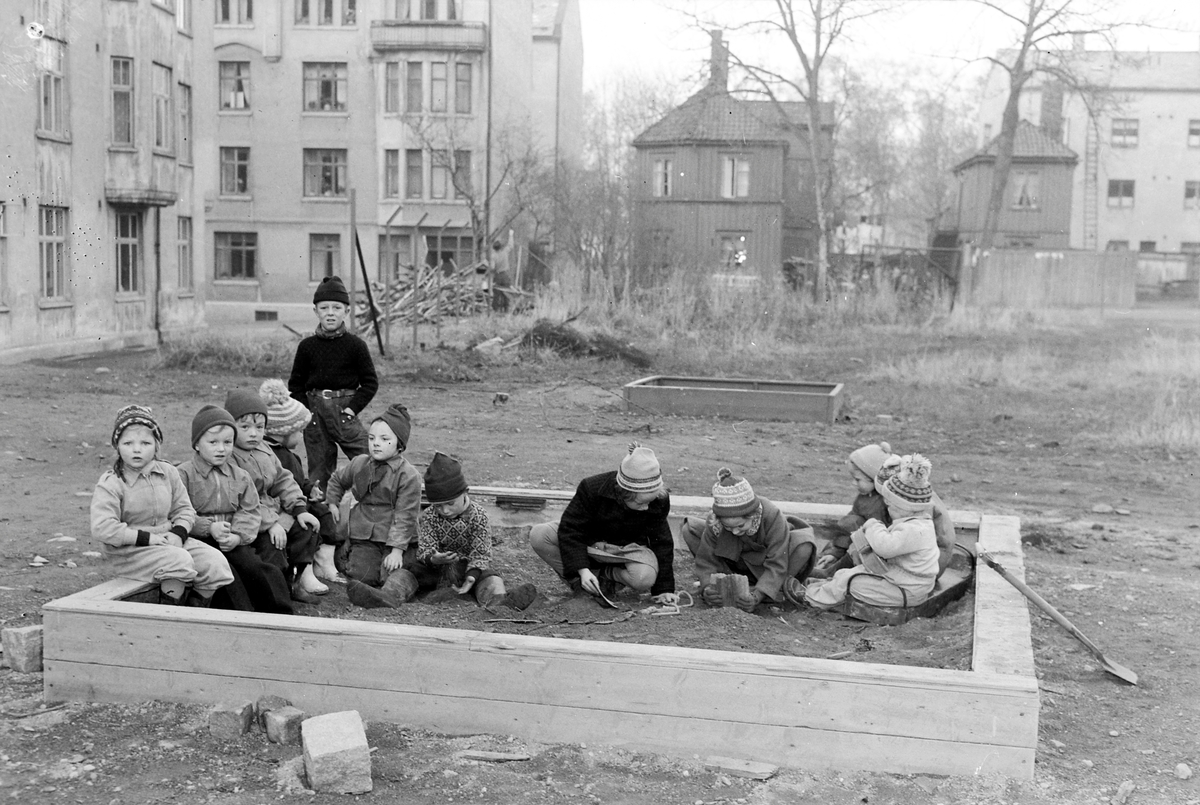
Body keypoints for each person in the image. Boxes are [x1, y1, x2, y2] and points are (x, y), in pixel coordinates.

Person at [90, 405, 234, 607]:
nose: (137, 449)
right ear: (117, 445)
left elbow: (184, 510)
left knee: (214, 562)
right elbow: (103, 527)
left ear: (157, 445)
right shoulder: (112, 482)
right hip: (130, 550)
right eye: (128, 443)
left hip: (168, 541)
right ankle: (168, 614)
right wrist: (148, 538)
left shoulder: (168, 472)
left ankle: (193, 611)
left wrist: (179, 532)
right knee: (178, 561)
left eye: (146, 442)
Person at [177, 405, 292, 614]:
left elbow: (250, 509)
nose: (221, 449)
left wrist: (238, 536)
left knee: (257, 569)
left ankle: (281, 615)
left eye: (227, 442)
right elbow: (179, 511)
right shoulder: (184, 474)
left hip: (231, 538)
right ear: (196, 445)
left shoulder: (240, 475)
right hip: (200, 540)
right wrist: (208, 528)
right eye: (213, 442)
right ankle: (242, 618)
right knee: (229, 578)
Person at [529, 443, 679, 604]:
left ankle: (606, 578)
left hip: (625, 551)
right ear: (624, 494)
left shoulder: (658, 500)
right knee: (540, 535)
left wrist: (664, 589)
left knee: (644, 577)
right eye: (640, 503)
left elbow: (662, 542)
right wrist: (582, 570)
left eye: (650, 502)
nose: (646, 508)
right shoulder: (591, 488)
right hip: (589, 545)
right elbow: (571, 529)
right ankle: (580, 582)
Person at [403, 452, 538, 610]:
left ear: (465, 492)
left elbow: (481, 553)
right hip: (436, 569)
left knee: (491, 579)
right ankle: (390, 595)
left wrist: (472, 576)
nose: (445, 510)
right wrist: (434, 558)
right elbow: (425, 547)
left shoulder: (479, 516)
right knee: (408, 572)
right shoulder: (429, 516)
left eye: (450, 503)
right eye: (438, 506)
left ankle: (500, 604)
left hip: (468, 567)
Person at [224, 389, 323, 604]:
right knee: (273, 547)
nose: (253, 434)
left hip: (271, 513)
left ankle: (292, 582)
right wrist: (270, 523)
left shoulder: (265, 450)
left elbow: (283, 480)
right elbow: (244, 500)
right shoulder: (230, 458)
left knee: (306, 530)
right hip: (248, 520)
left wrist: (299, 509)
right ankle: (274, 595)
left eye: (259, 427)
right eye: (245, 427)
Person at [804, 453, 940, 610]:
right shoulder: (917, 523)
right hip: (903, 582)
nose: (888, 510)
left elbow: (885, 547)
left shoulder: (914, 530)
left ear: (903, 508)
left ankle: (811, 598)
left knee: (852, 581)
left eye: (890, 507)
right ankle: (825, 587)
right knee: (851, 574)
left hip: (906, 590)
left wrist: (873, 526)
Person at [810, 442, 957, 580]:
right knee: (858, 528)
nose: (853, 483)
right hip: (907, 554)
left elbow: (888, 541)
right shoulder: (877, 495)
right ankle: (835, 568)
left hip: (924, 567)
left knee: (861, 541)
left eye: (858, 479)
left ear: (874, 477)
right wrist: (835, 552)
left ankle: (834, 574)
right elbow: (849, 525)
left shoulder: (898, 502)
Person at [324, 404, 422, 609]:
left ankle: (389, 596)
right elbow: (337, 480)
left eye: (385, 440)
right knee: (361, 575)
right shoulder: (360, 463)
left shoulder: (408, 475)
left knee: (393, 575)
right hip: (364, 536)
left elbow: (406, 515)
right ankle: (369, 590)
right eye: (371, 438)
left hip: (395, 540)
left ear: (399, 444)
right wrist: (332, 502)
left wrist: (397, 551)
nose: (376, 444)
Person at [287, 275, 379, 493]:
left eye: (336, 307)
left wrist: (351, 410)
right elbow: (296, 385)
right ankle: (322, 516)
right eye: (324, 307)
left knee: (369, 460)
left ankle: (375, 503)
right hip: (315, 415)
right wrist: (308, 413)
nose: (330, 313)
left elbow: (370, 382)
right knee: (319, 471)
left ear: (347, 311)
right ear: (316, 311)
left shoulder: (356, 346)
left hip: (344, 412)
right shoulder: (307, 346)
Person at [680, 468, 817, 612]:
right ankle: (733, 584)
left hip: (767, 566)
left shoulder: (772, 515)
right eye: (728, 527)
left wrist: (757, 596)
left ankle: (770, 590)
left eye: (740, 526)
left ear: (753, 515)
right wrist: (708, 588)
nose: (735, 531)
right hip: (734, 562)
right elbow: (706, 561)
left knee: (803, 544)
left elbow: (777, 563)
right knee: (690, 529)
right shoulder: (715, 522)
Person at [258, 378, 343, 584]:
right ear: (283, 432)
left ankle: (324, 562)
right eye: (299, 431)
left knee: (322, 512)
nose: (301, 436)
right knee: (309, 523)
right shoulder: (275, 457)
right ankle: (304, 571)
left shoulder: (289, 455)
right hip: (282, 507)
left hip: (296, 500)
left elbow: (298, 481)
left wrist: (308, 488)